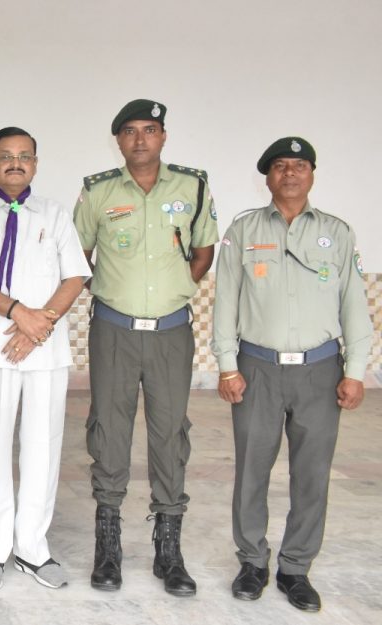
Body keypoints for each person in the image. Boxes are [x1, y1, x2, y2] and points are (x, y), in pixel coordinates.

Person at [213, 137, 371, 612]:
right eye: (280, 166)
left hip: (320, 371)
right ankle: (252, 562)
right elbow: (225, 301)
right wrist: (227, 365)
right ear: (267, 177)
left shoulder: (337, 233)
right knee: (251, 470)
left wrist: (355, 371)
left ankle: (296, 568)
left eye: (299, 166)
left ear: (312, 174)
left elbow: (354, 306)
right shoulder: (243, 229)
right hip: (256, 368)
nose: (289, 173)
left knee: (312, 474)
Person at [73, 99, 217, 597]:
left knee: (170, 432)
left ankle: (168, 551)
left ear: (163, 136)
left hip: (171, 332)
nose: (140, 139)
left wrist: (179, 286)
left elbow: (204, 250)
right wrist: (110, 289)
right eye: (130, 131)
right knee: (109, 430)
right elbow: (78, 255)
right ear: (118, 140)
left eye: (150, 130)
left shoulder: (192, 187)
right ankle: (108, 547)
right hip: (113, 329)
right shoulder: (98, 191)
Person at [0, 127, 89, 591]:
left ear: (35, 164)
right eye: (5, 156)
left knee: (42, 447)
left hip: (44, 350)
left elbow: (74, 277)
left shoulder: (56, 214)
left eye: (24, 156)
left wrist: (38, 326)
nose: (15, 163)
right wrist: (19, 314)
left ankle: (32, 548)